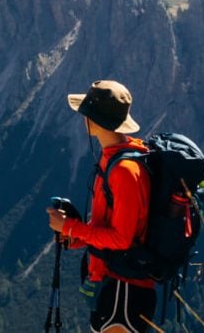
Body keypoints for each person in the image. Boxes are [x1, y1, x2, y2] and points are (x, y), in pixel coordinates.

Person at [47, 80, 156, 333]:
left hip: (124, 289)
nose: (82, 118)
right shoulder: (113, 159)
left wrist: (71, 227)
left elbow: (122, 238)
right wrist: (74, 235)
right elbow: (111, 228)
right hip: (112, 284)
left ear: (93, 121)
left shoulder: (125, 171)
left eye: (85, 114)